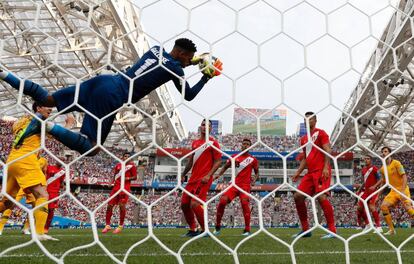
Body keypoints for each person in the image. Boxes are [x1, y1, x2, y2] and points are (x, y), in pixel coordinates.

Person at [0, 38, 222, 156]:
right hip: (114, 95)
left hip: (106, 80)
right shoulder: (178, 70)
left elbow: (171, 61)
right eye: (188, 58)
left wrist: (195, 61)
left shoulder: (156, 50)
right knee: (91, 148)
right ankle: (46, 127)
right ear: (182, 54)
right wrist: (206, 77)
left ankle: (5, 74)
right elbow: (189, 95)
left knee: (49, 100)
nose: (188, 62)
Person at [0, 102, 58, 241]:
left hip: (12, 160)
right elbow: (57, 135)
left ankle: (32, 229)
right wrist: (68, 125)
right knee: (42, 193)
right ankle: (39, 233)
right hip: (26, 160)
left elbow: (18, 130)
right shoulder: (39, 121)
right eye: (47, 106)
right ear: (38, 108)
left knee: (7, 203)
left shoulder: (21, 121)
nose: (50, 109)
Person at [291, 112, 336, 239]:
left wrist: (326, 166)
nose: (307, 121)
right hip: (310, 173)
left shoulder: (321, 133)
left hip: (321, 171)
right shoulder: (304, 139)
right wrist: (298, 173)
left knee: (321, 197)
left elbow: (328, 150)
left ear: (315, 120)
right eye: (305, 119)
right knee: (298, 196)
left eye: (309, 119)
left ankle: (332, 230)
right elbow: (305, 158)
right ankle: (306, 230)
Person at [180, 119, 222, 237]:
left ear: (210, 129)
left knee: (195, 204)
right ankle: (193, 230)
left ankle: (205, 230)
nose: (204, 127)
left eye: (207, 125)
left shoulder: (214, 143)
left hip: (204, 179)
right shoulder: (195, 143)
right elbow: (190, 161)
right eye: (203, 125)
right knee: (184, 204)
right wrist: (183, 174)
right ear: (200, 127)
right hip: (192, 179)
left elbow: (218, 161)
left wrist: (209, 175)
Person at [213, 138, 259, 236]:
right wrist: (219, 174)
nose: (245, 145)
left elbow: (257, 172)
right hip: (233, 185)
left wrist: (254, 180)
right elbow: (225, 167)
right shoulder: (234, 157)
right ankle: (217, 226)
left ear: (250, 146)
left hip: (245, 186)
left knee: (244, 204)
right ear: (241, 145)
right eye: (244, 143)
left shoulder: (253, 159)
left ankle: (247, 230)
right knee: (222, 201)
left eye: (247, 144)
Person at [371, 147, 414, 235]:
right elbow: (383, 182)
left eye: (385, 151)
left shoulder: (396, 163)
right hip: (393, 191)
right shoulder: (382, 168)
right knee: (383, 206)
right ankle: (392, 230)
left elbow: (404, 177)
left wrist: (402, 191)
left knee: (408, 209)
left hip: (403, 189)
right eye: (382, 152)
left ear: (390, 153)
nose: (384, 153)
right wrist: (378, 196)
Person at [102, 152, 137, 234]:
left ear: (130, 158)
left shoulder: (132, 166)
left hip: (124, 189)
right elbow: (115, 175)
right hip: (115, 188)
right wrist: (111, 182)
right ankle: (107, 225)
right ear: (123, 157)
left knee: (122, 206)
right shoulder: (118, 165)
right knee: (109, 205)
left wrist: (128, 178)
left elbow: (135, 177)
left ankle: (120, 226)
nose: (127, 157)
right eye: (125, 156)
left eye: (128, 156)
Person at [355, 154, 382, 232]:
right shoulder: (363, 170)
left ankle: (379, 227)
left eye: (368, 159)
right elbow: (364, 182)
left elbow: (381, 180)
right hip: (366, 192)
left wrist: (374, 186)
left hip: (373, 191)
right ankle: (368, 224)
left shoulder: (374, 169)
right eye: (365, 159)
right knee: (359, 208)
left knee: (371, 207)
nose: (366, 160)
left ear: (371, 160)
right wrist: (359, 189)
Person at [44, 160, 66, 234]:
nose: (61, 161)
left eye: (63, 161)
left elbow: (62, 183)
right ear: (56, 161)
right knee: (42, 209)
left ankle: (46, 228)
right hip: (45, 191)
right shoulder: (49, 167)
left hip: (54, 193)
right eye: (59, 160)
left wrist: (62, 186)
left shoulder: (62, 172)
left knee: (51, 210)